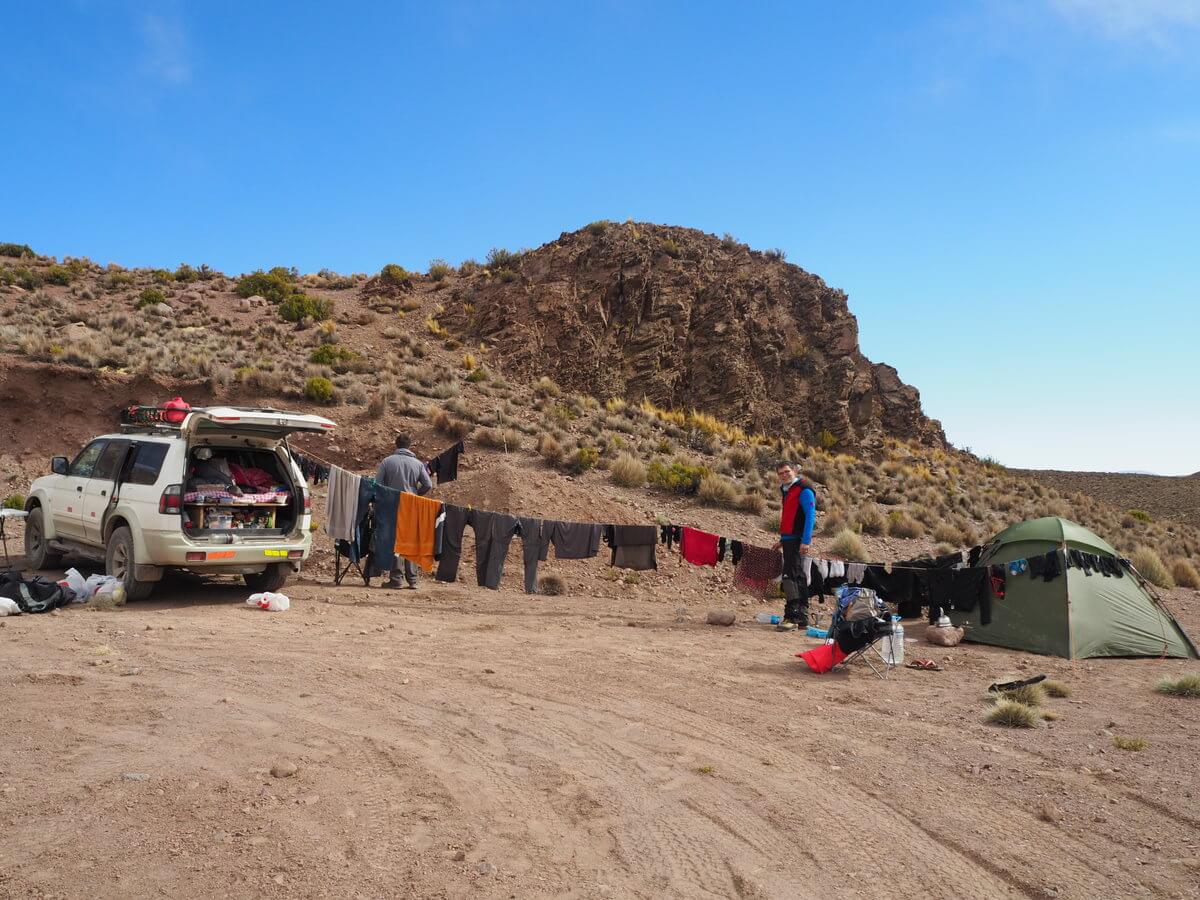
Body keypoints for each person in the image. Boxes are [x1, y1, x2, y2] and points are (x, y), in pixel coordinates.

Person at [375, 433, 432, 589]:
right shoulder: (418, 464)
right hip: (411, 506)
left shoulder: (387, 462)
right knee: (410, 541)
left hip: (392, 506)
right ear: (409, 446)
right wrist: (415, 495)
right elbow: (428, 484)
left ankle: (396, 579)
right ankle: (413, 580)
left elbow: (378, 485)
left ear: (396, 444)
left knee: (395, 541)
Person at [771, 461, 817, 632]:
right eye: (781, 473)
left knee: (790, 576)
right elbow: (791, 518)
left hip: (798, 540)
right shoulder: (786, 490)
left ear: (794, 471)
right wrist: (783, 540)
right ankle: (802, 617)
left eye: (787, 471)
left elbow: (810, 515)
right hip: (789, 540)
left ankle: (792, 616)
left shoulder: (803, 488)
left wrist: (806, 541)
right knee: (798, 575)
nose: (784, 475)